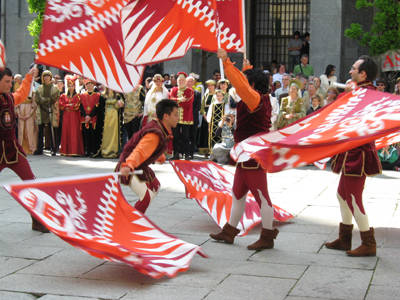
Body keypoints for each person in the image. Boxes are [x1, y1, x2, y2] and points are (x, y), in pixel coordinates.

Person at [210, 48, 278, 251]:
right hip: (247, 152)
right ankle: (230, 230)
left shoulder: (254, 98)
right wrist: (246, 68)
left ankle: (267, 236)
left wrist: (226, 62)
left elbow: (240, 85)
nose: (242, 85)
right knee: (238, 193)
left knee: (262, 196)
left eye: (248, 80)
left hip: (252, 153)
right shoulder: (259, 97)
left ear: (254, 85)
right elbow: (242, 82)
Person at [326, 55, 381, 257]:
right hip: (351, 152)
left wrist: (352, 94)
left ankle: (368, 242)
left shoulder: (369, 94)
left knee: (352, 198)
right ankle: (345, 238)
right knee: (342, 195)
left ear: (363, 73)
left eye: (354, 69)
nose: (350, 72)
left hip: (359, 155)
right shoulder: (361, 92)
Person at [0, 66, 49, 232]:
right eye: (6, 82)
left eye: (10, 81)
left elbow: (21, 93)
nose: (9, 84)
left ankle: (37, 220)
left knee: (31, 183)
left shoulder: (10, 98)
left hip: (13, 151)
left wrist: (29, 77)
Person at [116, 99, 179, 213]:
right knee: (146, 197)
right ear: (166, 116)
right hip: (129, 166)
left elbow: (150, 148)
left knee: (155, 186)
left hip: (138, 165)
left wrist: (159, 156)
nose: (178, 118)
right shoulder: (155, 134)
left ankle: (134, 216)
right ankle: (132, 222)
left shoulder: (160, 128)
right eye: (175, 115)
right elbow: (140, 151)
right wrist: (128, 165)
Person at [34, 70, 60, 155]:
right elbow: (37, 99)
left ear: (50, 77)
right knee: (40, 131)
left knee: (52, 130)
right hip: (41, 111)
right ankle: (39, 148)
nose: (46, 77)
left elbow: (55, 97)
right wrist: (44, 101)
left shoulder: (55, 88)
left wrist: (45, 100)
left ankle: (53, 148)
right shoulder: (40, 88)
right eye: (44, 76)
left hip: (51, 111)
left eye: (48, 76)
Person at [169, 72, 194, 160]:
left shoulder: (189, 91)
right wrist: (179, 99)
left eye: (182, 80)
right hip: (175, 118)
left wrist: (176, 102)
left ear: (185, 81)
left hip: (185, 117)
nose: (181, 81)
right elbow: (170, 100)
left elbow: (188, 103)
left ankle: (186, 154)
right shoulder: (173, 89)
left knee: (185, 136)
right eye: (179, 80)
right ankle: (176, 154)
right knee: (175, 136)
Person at [59, 75, 84, 156]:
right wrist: (69, 105)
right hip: (66, 116)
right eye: (69, 86)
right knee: (66, 132)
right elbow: (61, 105)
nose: (71, 87)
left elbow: (77, 106)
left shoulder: (78, 96)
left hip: (74, 117)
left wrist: (68, 106)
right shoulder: (63, 96)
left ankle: (74, 150)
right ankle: (66, 151)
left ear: (75, 86)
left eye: (72, 85)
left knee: (74, 132)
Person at [80, 79, 105, 157]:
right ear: (85, 86)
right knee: (85, 134)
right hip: (85, 118)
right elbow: (81, 107)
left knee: (93, 135)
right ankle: (87, 150)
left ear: (93, 85)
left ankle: (93, 151)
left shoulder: (98, 95)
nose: (89, 85)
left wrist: (90, 116)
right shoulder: (82, 95)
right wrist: (85, 115)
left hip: (94, 118)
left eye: (91, 84)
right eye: (87, 84)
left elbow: (97, 107)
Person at [99, 88, 124, 158]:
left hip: (114, 116)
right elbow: (101, 107)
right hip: (106, 116)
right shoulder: (103, 95)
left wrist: (120, 104)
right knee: (106, 133)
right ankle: (105, 150)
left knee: (114, 133)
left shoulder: (118, 95)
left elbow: (122, 103)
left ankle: (113, 151)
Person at [198, 79, 216, 156]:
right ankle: (206, 151)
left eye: (211, 85)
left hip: (215, 116)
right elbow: (202, 107)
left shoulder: (218, 94)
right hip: (206, 117)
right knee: (206, 133)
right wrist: (205, 116)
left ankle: (214, 150)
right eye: (208, 85)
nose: (210, 87)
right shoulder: (205, 95)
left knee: (214, 133)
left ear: (214, 86)